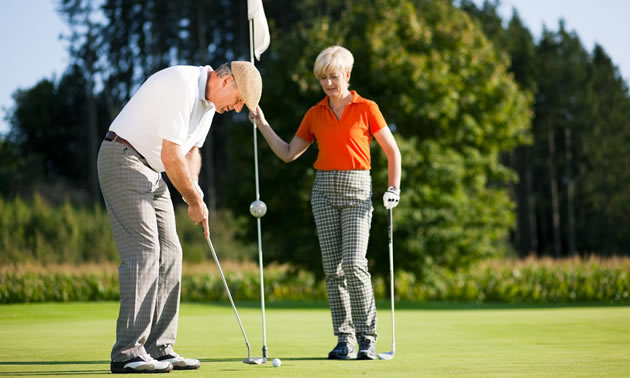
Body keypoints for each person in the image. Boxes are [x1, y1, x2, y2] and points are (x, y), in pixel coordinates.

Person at [97, 61, 262, 374]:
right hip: (122, 159)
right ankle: (127, 352)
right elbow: (170, 155)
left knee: (171, 253)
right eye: (239, 100)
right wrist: (192, 200)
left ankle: (159, 348)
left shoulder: (210, 106)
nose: (238, 109)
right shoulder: (182, 84)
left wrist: (195, 191)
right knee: (145, 253)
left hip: (151, 171)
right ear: (226, 81)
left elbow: (190, 153)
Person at [249, 45, 401, 360]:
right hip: (324, 191)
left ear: (346, 74)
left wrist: (393, 188)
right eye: (323, 79)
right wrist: (262, 123)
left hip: (358, 191)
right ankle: (344, 339)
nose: (329, 84)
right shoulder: (315, 114)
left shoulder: (367, 108)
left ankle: (367, 338)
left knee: (355, 264)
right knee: (333, 270)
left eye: (333, 77)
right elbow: (289, 153)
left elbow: (392, 151)